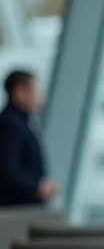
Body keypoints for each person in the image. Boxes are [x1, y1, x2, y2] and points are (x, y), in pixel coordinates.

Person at [0, 70, 59, 206]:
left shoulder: (18, 123)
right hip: (15, 210)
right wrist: (38, 186)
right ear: (20, 92)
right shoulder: (11, 125)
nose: (41, 98)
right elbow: (8, 170)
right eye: (36, 91)